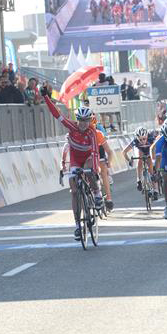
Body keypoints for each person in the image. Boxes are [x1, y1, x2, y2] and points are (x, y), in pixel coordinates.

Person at [41, 84, 103, 240]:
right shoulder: (72, 128)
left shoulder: (92, 134)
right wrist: (45, 97)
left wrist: (94, 172)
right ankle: (77, 225)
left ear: (90, 121)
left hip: (88, 158)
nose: (82, 123)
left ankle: (96, 193)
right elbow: (58, 115)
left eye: (86, 121)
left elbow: (95, 153)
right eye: (80, 120)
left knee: (89, 170)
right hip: (75, 159)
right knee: (74, 191)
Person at [122, 127, 157, 198]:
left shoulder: (151, 139)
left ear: (147, 136)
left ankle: (155, 189)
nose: (142, 141)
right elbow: (124, 152)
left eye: (144, 139)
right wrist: (129, 160)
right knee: (139, 159)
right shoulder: (135, 141)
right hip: (140, 151)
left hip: (149, 151)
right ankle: (139, 180)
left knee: (151, 169)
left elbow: (157, 149)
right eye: (140, 139)